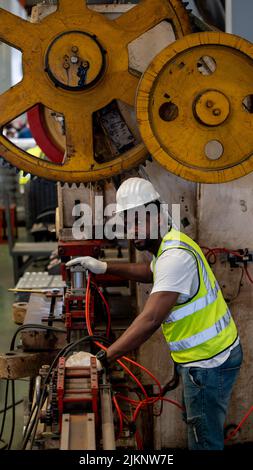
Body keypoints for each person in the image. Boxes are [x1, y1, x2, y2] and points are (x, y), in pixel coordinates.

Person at [66, 177, 243, 450]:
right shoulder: (169, 244)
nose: (133, 228)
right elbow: (151, 272)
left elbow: (149, 320)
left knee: (204, 440)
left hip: (209, 363)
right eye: (127, 221)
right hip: (207, 357)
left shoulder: (174, 257)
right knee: (199, 427)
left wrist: (102, 359)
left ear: (159, 215)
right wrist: (104, 267)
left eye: (140, 219)